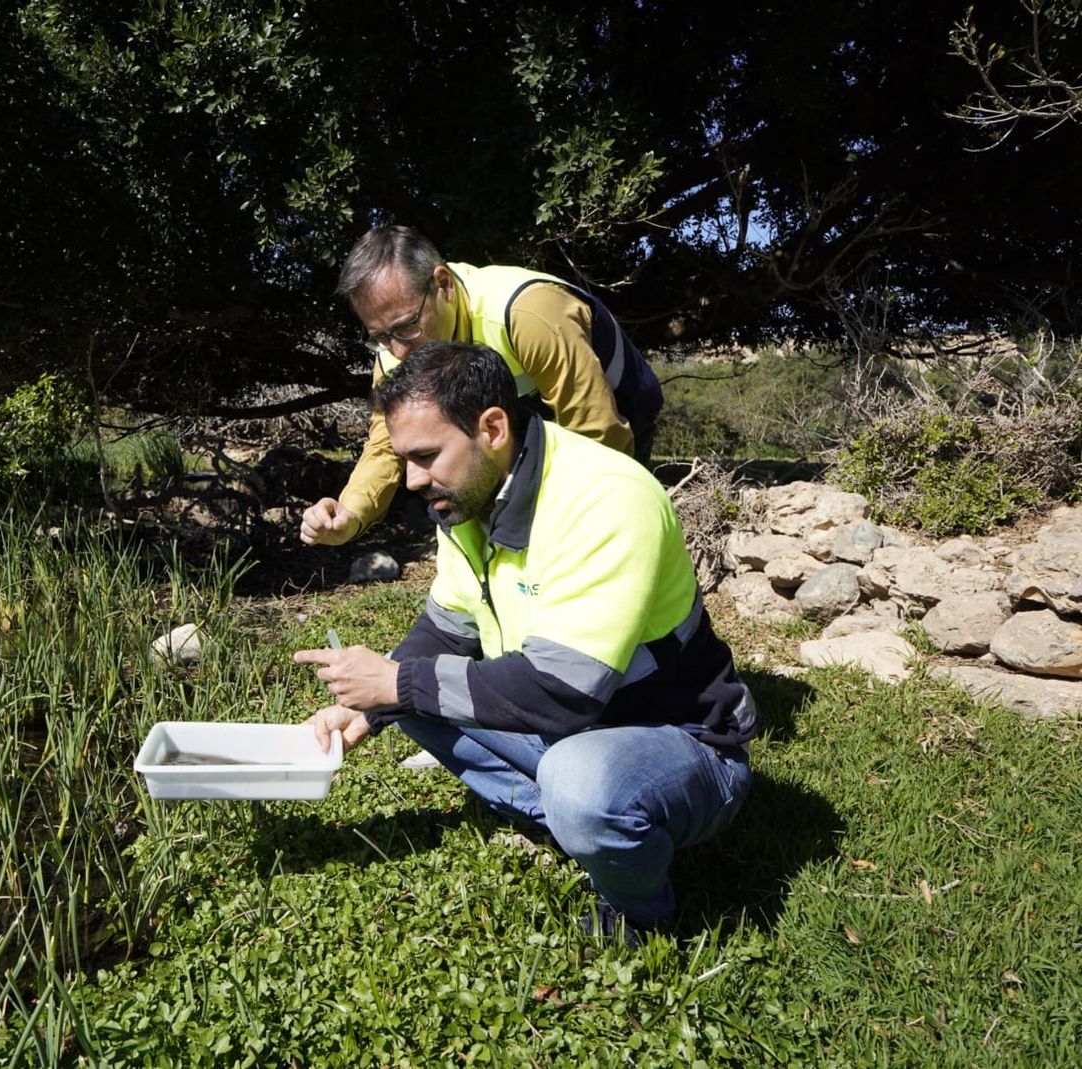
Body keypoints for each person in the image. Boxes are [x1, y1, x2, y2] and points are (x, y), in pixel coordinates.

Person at [294, 342, 755, 942]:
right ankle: (571, 826)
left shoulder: (605, 498)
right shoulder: (470, 496)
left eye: (426, 456)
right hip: (574, 727)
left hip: (681, 740)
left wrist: (395, 682)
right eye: (404, 459)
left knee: (577, 781)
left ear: (492, 428)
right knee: (414, 698)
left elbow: (564, 693)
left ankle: (638, 912)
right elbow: (446, 630)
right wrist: (371, 707)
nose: (411, 480)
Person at [300, 225, 663, 546]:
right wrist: (351, 513)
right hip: (516, 433)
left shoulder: (525, 311)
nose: (397, 351)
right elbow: (386, 444)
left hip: (618, 415)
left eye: (407, 325)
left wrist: (577, 521)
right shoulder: (393, 353)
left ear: (443, 285)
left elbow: (595, 428)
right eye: (380, 336)